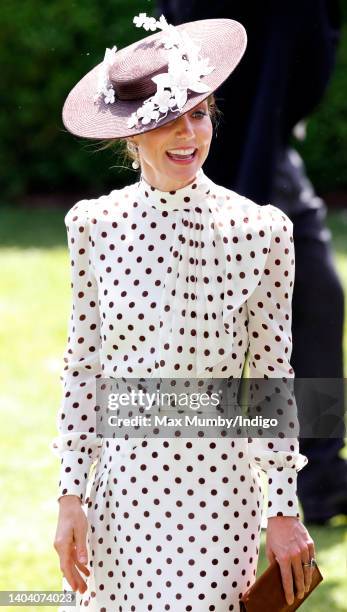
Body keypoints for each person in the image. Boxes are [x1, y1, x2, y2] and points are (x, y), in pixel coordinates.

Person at [51, 12, 316, 611]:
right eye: (166, 120)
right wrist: (70, 497)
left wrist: (281, 507)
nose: (187, 136)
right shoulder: (94, 226)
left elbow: (272, 380)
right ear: (130, 137)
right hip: (121, 493)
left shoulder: (263, 230)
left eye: (198, 114)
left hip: (220, 493)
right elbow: (84, 366)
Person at [158, 0, 347, 525]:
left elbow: (316, 36)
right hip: (193, 149)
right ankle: (185, 485)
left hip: (272, 148)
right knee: (192, 327)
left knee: (317, 300)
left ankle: (321, 477)